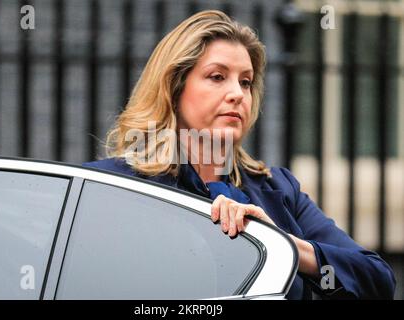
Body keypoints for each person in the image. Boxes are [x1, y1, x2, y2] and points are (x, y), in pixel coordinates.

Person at [83, 10, 395, 299]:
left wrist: (281, 243)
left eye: (245, 82)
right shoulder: (112, 187)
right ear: (174, 89)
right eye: (217, 77)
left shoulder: (278, 190)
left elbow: (377, 279)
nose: (237, 94)